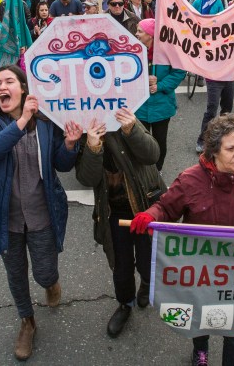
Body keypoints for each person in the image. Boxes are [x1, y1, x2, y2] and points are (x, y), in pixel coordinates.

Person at [130, 113, 234, 366]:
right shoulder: (190, 179)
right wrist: (150, 215)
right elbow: (166, 208)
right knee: (201, 318)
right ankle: (201, 351)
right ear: (214, 150)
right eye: (231, 149)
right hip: (201, 271)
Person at [0, 65, 81, 361]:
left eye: (9, 81)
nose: (2, 87)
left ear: (23, 88)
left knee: (45, 272)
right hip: (5, 218)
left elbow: (61, 164)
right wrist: (21, 120)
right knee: (16, 274)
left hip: (42, 212)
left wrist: (70, 145)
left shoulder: (46, 121)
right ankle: (27, 321)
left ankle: (50, 282)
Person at [75, 108, 164, 338]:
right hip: (114, 212)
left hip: (144, 206)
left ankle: (146, 282)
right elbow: (87, 179)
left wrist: (132, 129)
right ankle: (125, 304)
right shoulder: (86, 132)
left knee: (147, 260)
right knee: (121, 266)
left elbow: (153, 154)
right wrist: (93, 148)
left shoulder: (125, 116)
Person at [134, 19, 185, 172]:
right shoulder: (133, 50)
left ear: (150, 35)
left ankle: (157, 170)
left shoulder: (168, 51)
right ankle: (143, 171)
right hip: (140, 106)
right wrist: (143, 79)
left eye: (140, 31)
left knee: (159, 141)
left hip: (162, 106)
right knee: (140, 142)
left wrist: (160, 85)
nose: (136, 34)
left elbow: (179, 72)